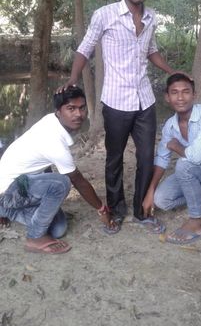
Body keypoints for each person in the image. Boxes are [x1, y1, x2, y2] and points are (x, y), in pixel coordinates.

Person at [58, 0, 176, 233]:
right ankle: (116, 210)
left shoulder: (151, 17)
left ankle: (142, 211)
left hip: (144, 100)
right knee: (114, 159)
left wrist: (172, 72)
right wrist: (73, 79)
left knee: (147, 157)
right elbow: (84, 48)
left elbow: (151, 50)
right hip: (116, 101)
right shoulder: (105, 15)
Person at [0, 86, 116, 254]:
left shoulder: (51, 120)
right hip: (9, 190)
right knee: (61, 183)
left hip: (18, 186)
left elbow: (43, 163)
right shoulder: (54, 140)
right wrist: (101, 209)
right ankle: (34, 238)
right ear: (59, 111)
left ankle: (4, 210)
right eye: (71, 108)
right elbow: (78, 181)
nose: (78, 114)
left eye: (82, 108)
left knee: (58, 228)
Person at [142, 73, 201, 244]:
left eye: (186, 92)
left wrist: (176, 146)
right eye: (174, 92)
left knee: (184, 165)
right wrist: (150, 191)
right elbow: (162, 159)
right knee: (161, 199)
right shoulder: (170, 125)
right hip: (196, 173)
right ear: (167, 97)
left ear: (194, 95)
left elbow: (195, 156)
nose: (180, 97)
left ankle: (197, 221)